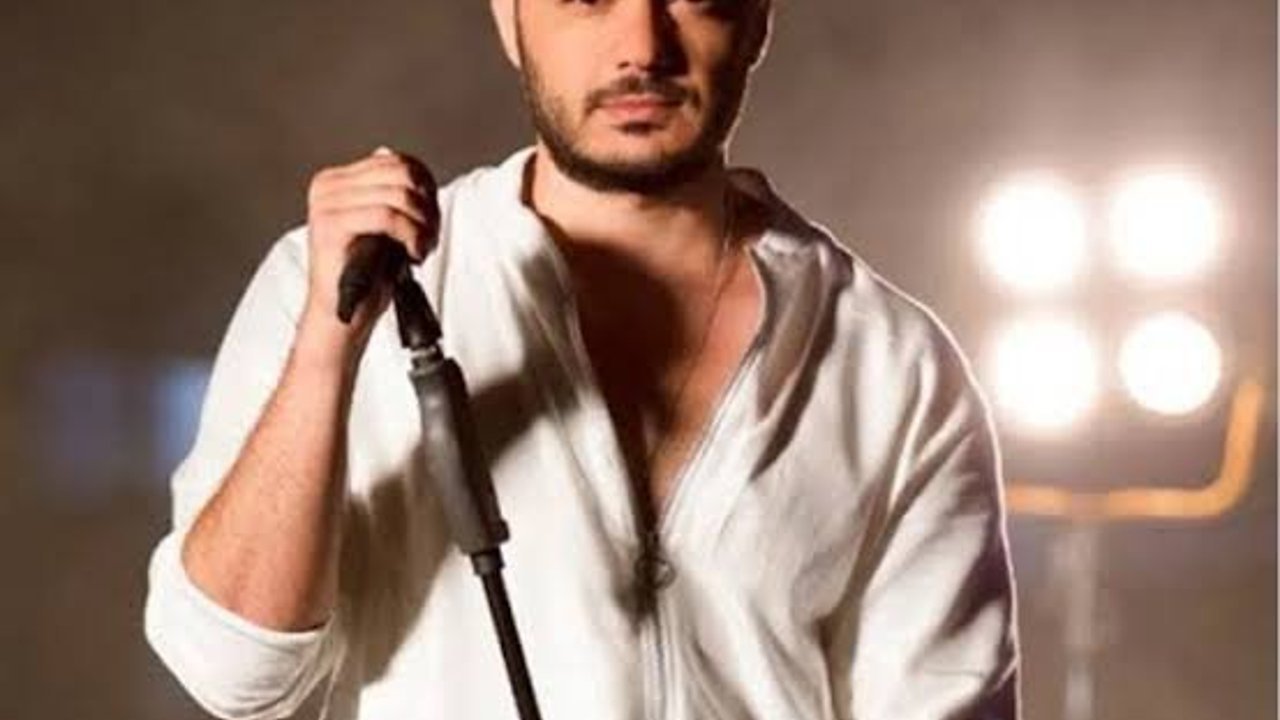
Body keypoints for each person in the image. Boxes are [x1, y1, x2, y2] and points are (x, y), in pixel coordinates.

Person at [144, 0, 1020, 718]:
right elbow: (232, 671)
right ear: (509, 18)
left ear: (759, 19)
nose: (642, 46)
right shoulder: (336, 284)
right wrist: (328, 347)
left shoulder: (894, 366)